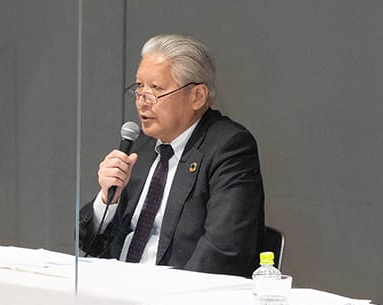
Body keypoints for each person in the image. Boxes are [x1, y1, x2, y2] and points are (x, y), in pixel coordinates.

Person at [78, 34, 265, 277]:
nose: (142, 101)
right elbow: (90, 243)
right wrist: (107, 199)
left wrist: (162, 301)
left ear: (197, 96)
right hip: (119, 290)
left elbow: (223, 251)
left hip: (175, 298)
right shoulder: (142, 146)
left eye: (156, 89)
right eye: (139, 87)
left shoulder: (229, 148)